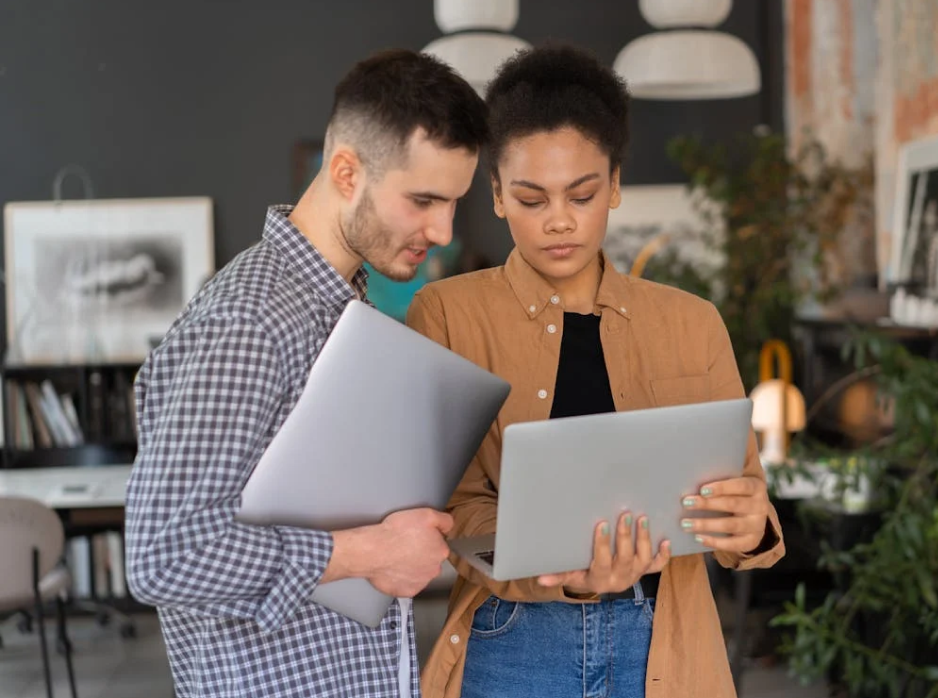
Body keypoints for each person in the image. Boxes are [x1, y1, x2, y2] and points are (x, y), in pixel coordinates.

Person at [405, 44, 785, 698]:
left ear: (613, 184)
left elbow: (741, 499)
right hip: (515, 636)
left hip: (665, 636)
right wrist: (570, 574)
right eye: (529, 198)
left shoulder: (691, 324)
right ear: (495, 194)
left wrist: (751, 527)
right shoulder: (445, 315)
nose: (558, 220)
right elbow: (447, 511)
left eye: (581, 194)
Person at [124, 49, 488, 698]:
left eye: (453, 204)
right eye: (423, 200)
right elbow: (165, 553)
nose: (442, 230)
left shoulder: (347, 305)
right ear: (345, 170)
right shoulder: (250, 320)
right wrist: (371, 552)